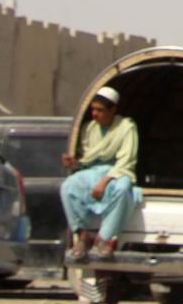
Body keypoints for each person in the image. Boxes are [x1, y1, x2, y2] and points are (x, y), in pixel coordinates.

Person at [60, 86, 140, 261]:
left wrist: (104, 182)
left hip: (116, 173)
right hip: (93, 172)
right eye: (93, 110)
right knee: (68, 186)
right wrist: (74, 163)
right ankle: (82, 235)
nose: (95, 114)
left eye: (100, 110)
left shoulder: (126, 127)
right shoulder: (89, 129)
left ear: (112, 110)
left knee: (123, 188)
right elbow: (86, 159)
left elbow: (126, 161)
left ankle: (103, 238)